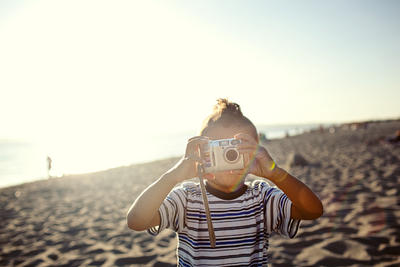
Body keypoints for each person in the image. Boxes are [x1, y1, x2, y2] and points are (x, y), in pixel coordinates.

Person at [127, 98, 323, 266]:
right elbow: (136, 221)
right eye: (218, 148)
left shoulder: (262, 196)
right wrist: (173, 176)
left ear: (255, 152)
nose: (228, 155)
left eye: (237, 148)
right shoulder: (186, 198)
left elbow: (313, 211)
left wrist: (274, 173)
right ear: (200, 152)